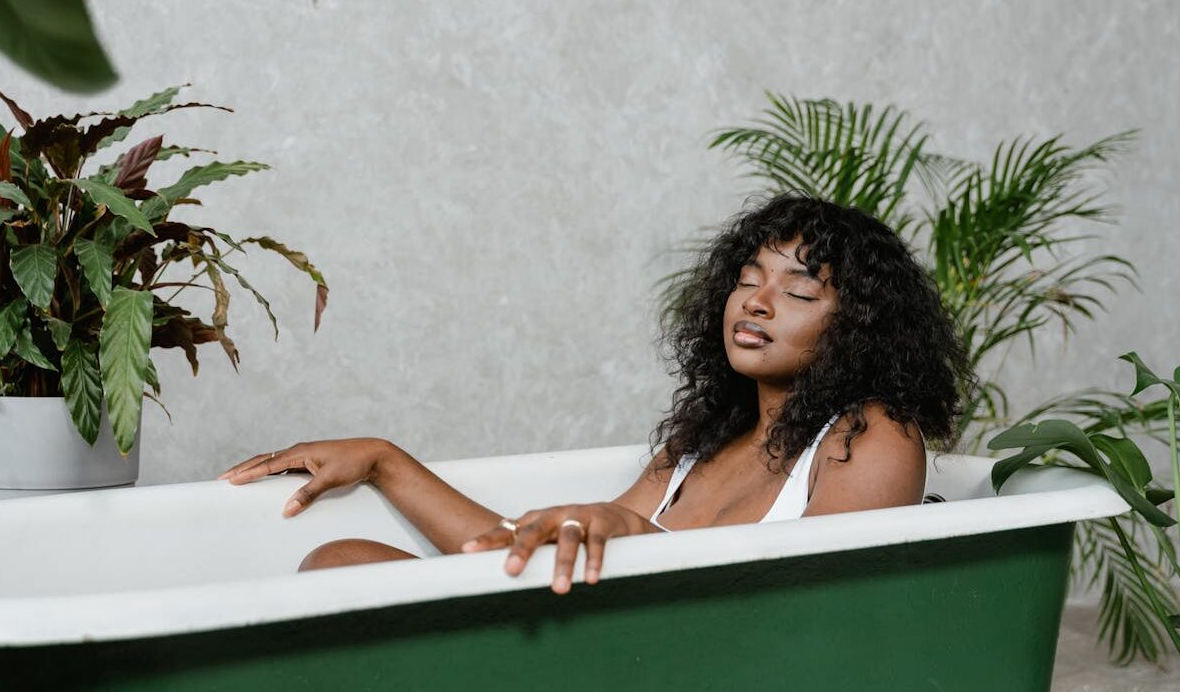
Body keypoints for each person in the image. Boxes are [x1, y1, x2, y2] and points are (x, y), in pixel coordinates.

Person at [218, 193, 971, 595]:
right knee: (342, 559)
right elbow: (549, 551)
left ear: (858, 327)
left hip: (692, 667)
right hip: (608, 646)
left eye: (798, 291)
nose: (757, 301)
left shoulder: (870, 434)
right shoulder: (700, 444)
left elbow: (818, 607)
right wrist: (385, 460)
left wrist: (640, 536)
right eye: (748, 280)